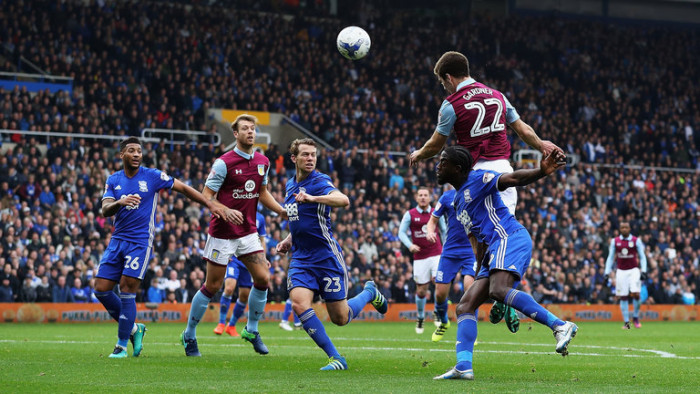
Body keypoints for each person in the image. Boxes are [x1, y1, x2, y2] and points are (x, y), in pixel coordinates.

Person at [409, 51, 564, 330]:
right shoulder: (498, 95)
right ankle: (501, 295)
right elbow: (521, 128)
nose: (444, 87)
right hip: (504, 171)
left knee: (480, 238)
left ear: (448, 77)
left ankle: (501, 295)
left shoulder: (451, 104)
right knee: (499, 236)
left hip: (475, 176)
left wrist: (418, 154)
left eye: (443, 82)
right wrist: (543, 146)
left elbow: (435, 144)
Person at [433, 146, 576, 380]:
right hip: (491, 249)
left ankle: (560, 326)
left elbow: (513, 178)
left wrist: (541, 171)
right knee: (465, 305)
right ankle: (463, 366)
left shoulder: (478, 178)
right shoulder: (458, 203)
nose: (438, 166)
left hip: (509, 236)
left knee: (498, 290)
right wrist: (481, 272)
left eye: (443, 162)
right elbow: (476, 241)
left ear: (457, 168)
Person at [96, 137, 230, 359]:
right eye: (131, 151)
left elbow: (184, 188)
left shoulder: (153, 176)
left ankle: (120, 346)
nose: (137, 154)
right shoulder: (113, 180)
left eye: (139, 151)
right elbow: (105, 209)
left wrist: (209, 203)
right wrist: (120, 202)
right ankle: (133, 329)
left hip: (139, 242)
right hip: (117, 240)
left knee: (127, 289)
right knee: (101, 289)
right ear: (122, 155)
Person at [276, 138, 388, 371]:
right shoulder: (289, 185)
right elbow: (299, 219)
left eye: (313, 155)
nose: (310, 159)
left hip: (326, 257)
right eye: (305, 155)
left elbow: (343, 200)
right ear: (294, 158)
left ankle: (368, 293)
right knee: (299, 304)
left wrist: (313, 198)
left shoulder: (319, 181)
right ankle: (336, 357)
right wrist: (288, 239)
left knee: (340, 318)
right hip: (301, 257)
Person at [181, 114, 287, 357]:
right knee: (213, 286)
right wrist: (223, 209)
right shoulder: (223, 163)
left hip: (248, 232)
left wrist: (280, 210)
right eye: (245, 129)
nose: (250, 132)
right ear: (236, 134)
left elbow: (262, 193)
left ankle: (251, 329)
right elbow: (206, 196)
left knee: (263, 279)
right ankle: (189, 334)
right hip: (222, 234)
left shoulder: (263, 162)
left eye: (253, 128)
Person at [425, 186, 477, 342]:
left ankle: (469, 332)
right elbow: (432, 221)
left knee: (470, 290)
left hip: (470, 251)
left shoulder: (474, 191)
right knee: (440, 294)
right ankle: (443, 322)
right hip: (450, 252)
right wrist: (429, 232)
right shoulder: (446, 197)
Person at [214, 210, 266, 337]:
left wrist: (263, 257)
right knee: (229, 287)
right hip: (234, 258)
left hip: (250, 259)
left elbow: (262, 239)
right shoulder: (235, 212)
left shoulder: (260, 217)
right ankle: (221, 323)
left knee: (244, 295)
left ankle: (231, 326)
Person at [399, 187, 444, 334]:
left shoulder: (436, 213)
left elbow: (444, 230)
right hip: (419, 257)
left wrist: (446, 247)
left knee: (439, 284)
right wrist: (410, 245)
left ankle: (437, 312)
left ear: (430, 198)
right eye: (420, 195)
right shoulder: (410, 214)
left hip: (436, 253)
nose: (423, 197)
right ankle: (420, 317)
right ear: (416, 198)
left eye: (425, 195)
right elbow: (401, 232)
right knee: (421, 290)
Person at [604, 221, 648, 329]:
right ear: (620, 229)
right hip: (621, 271)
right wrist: (606, 272)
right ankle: (626, 322)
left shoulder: (636, 241)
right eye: (622, 227)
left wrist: (644, 271)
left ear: (629, 229)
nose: (624, 229)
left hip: (634, 270)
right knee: (623, 296)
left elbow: (642, 256)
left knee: (636, 294)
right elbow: (610, 257)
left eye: (626, 227)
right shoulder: (615, 241)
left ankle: (636, 317)